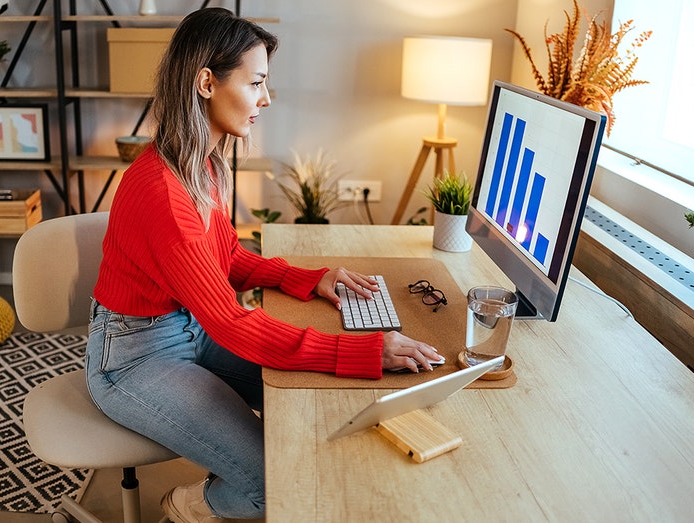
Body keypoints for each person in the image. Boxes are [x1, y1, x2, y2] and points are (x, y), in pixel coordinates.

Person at [85, 7, 440, 522]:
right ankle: (188, 505)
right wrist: (360, 349)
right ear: (206, 82)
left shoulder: (202, 163)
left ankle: (229, 468)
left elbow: (225, 256)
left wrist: (310, 279)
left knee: (316, 399)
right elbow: (229, 322)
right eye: (255, 83)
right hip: (133, 357)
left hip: (189, 329)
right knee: (277, 484)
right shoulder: (162, 193)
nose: (266, 99)